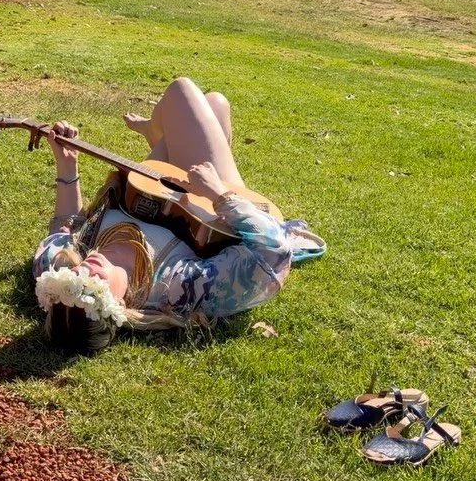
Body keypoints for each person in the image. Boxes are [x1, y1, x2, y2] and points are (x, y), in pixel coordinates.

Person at [33, 77, 325, 354]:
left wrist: (67, 165)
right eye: (90, 285)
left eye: (71, 279)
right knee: (188, 94)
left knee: (209, 105)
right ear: (117, 305)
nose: (83, 269)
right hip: (214, 207)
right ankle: (158, 132)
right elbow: (273, 254)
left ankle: (160, 136)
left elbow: (65, 227)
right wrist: (219, 195)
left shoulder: (58, 266)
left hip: (149, 187)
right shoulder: (177, 288)